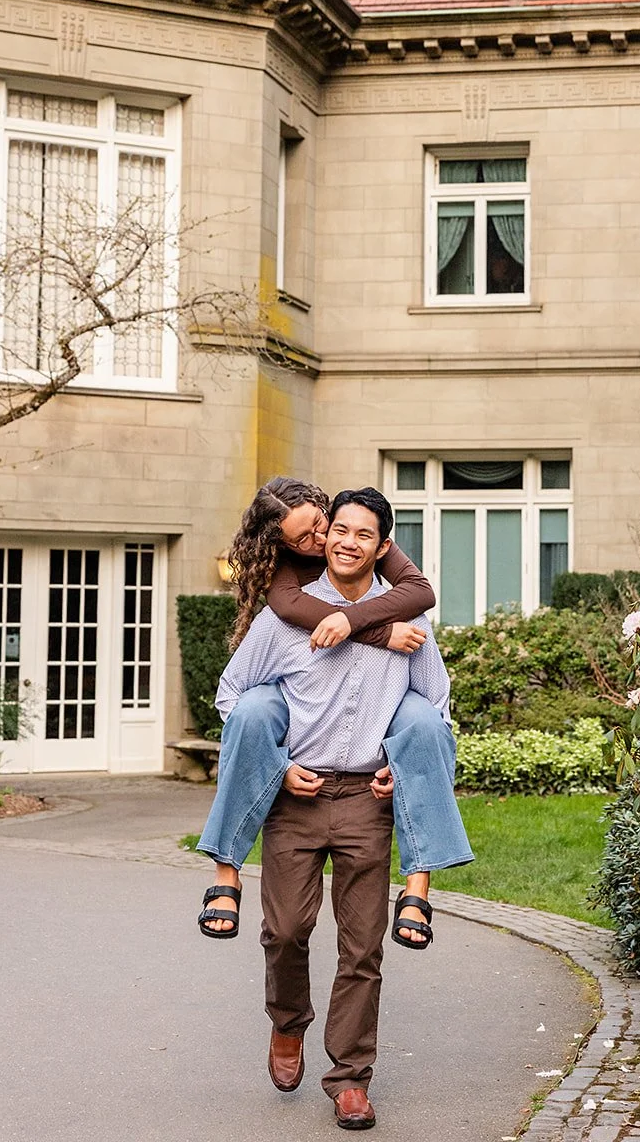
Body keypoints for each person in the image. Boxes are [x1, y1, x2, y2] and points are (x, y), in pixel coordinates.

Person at [214, 487, 451, 1130]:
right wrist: (277, 767)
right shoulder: (285, 617)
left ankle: (349, 1076)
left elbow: (433, 708)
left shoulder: (413, 627)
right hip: (297, 798)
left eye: (361, 534)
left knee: (362, 948)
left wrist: (397, 769)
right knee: (286, 930)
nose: (345, 541)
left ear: (382, 546)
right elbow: (232, 695)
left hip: (364, 801)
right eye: (337, 529)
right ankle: (287, 1025)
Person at [196, 477, 472, 946]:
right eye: (305, 538)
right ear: (282, 544)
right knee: (252, 709)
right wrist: (277, 767)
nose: (325, 540)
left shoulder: (373, 550)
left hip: (366, 790)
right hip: (298, 763)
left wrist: (401, 766)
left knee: (424, 720)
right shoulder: (283, 590)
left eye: (322, 525)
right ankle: (226, 871)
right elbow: (238, 680)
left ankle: (419, 885)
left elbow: (421, 599)